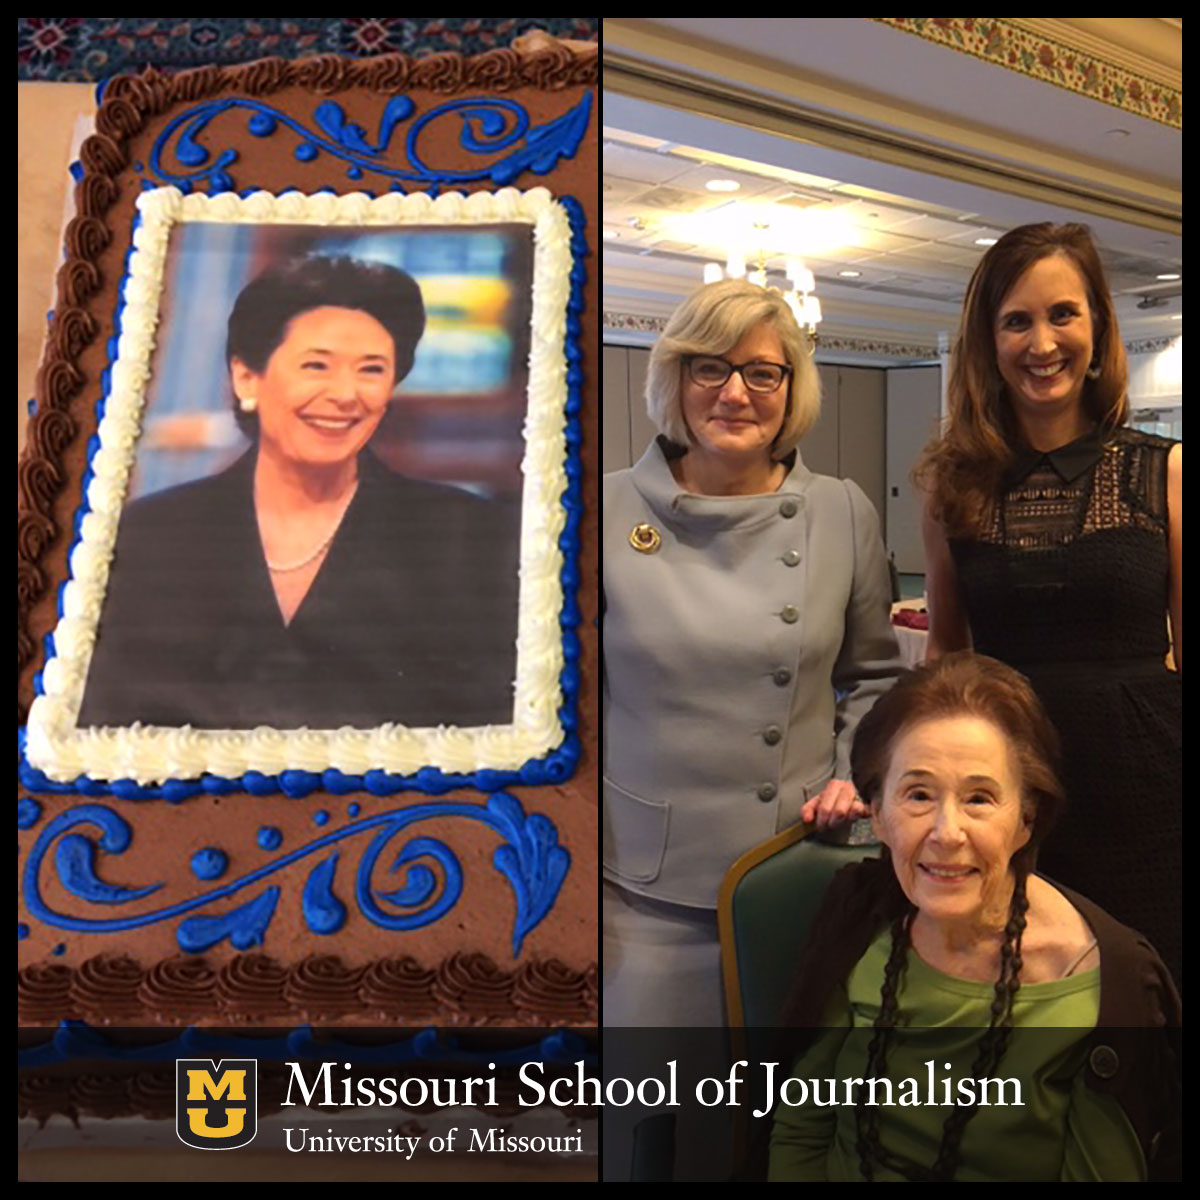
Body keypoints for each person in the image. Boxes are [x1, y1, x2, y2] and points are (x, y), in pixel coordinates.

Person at [603, 278, 903, 1026]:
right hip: (643, 887)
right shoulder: (599, 508)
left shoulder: (842, 511)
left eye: (762, 372)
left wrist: (850, 776)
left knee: (784, 1105)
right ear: (675, 376)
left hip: (795, 866)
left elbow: (873, 675)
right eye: (710, 366)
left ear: (790, 389)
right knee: (656, 1110)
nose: (735, 392)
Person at [769, 654, 1180, 1182]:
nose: (947, 832)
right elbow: (801, 1132)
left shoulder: (1103, 984)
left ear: (1026, 819)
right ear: (877, 813)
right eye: (918, 794)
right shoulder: (857, 924)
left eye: (980, 799)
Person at [79, 255, 519, 731]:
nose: (346, 394)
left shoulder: (472, 536)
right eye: (316, 365)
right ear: (247, 377)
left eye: (371, 370)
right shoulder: (146, 536)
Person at [915, 222, 1182, 987]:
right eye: (1017, 320)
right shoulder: (950, 487)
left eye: (1063, 314)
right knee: (1023, 994)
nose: (1043, 342)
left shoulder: (1166, 472)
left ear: (1097, 328)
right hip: (1010, 791)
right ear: (988, 342)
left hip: (1152, 792)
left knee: (1153, 997)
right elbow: (945, 654)